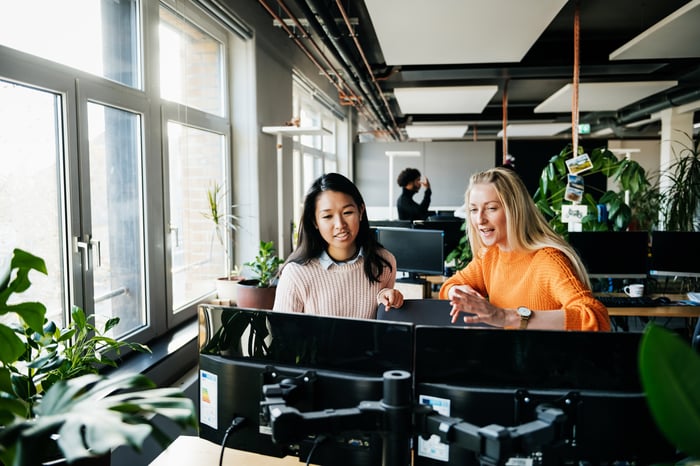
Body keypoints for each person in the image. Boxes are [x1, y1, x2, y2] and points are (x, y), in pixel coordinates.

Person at [439, 167, 610, 331]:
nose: (479, 219)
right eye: (473, 210)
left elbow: (595, 317)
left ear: (514, 210)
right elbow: (449, 286)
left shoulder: (548, 260)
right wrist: (460, 292)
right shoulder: (490, 256)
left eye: (491, 208)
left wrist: (508, 317)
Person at [273, 173, 404, 319]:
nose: (340, 225)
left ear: (360, 211)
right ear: (315, 221)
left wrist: (388, 299)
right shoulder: (296, 273)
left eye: (347, 212)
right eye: (327, 216)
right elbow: (282, 335)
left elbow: (379, 320)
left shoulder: (384, 262)